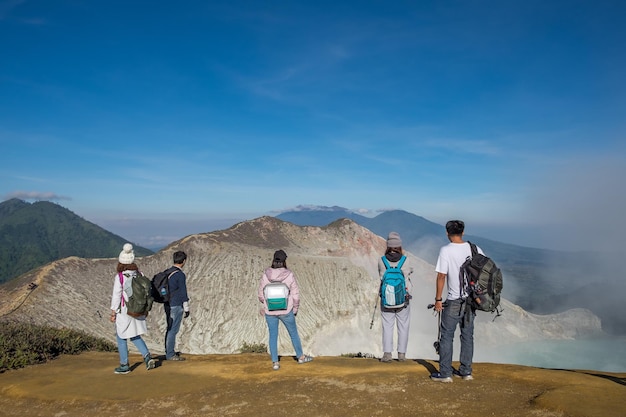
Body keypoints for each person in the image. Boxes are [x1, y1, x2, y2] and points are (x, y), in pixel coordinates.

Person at [430, 220, 483, 382]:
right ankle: (466, 372)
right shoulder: (474, 248)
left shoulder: (446, 250)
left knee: (447, 336)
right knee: (467, 335)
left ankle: (445, 374)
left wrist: (438, 299)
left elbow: (441, 276)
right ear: (463, 232)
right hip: (471, 300)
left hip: (453, 300)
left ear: (447, 233)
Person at [258, 249, 313, 370]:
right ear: (284, 261)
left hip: (270, 311)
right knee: (293, 334)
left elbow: (261, 294)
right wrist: (295, 308)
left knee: (273, 336)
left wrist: (266, 303)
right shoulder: (289, 275)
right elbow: (295, 294)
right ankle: (301, 357)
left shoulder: (266, 274)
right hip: (286, 310)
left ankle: (275, 363)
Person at [110, 243, 156, 374]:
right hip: (139, 309)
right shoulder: (139, 274)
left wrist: (113, 312)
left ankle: (124, 365)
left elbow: (116, 296)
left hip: (125, 311)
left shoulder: (120, 277)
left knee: (121, 336)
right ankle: (147, 357)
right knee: (135, 335)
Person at [378, 232, 413, 362]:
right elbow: (407, 275)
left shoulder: (381, 261)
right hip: (403, 299)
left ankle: (387, 354)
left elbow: (381, 277)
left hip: (387, 299)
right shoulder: (406, 260)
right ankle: (401, 354)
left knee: (387, 326)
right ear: (399, 245)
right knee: (403, 326)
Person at [164, 250, 190, 361]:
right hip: (176, 304)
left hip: (167, 304)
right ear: (183, 261)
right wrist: (186, 308)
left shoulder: (167, 272)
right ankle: (170, 354)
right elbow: (183, 292)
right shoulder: (180, 275)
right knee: (173, 330)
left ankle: (168, 351)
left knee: (169, 328)